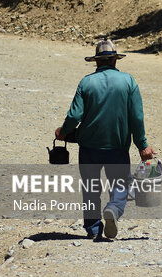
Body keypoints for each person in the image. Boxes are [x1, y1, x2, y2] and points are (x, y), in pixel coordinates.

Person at [55, 39, 155, 240]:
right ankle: (114, 209)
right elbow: (136, 117)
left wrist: (63, 131)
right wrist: (142, 145)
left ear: (97, 62)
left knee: (91, 187)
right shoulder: (129, 82)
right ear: (115, 61)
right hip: (117, 146)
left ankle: (93, 229)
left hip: (89, 147)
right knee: (120, 184)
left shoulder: (86, 82)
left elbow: (75, 116)